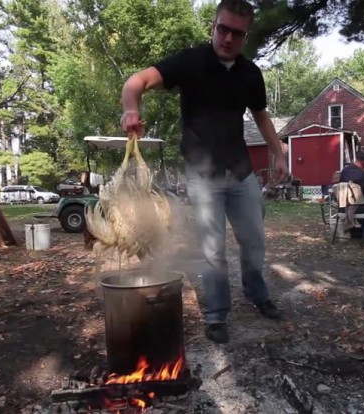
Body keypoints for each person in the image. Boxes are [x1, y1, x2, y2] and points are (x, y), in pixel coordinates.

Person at [120, 0, 288, 344]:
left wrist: (278, 152)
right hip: (203, 176)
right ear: (213, 26)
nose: (227, 38)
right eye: (222, 29)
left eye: (236, 33)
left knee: (254, 242)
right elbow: (135, 82)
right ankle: (216, 315)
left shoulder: (251, 74)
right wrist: (130, 109)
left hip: (241, 173)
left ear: (245, 36)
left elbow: (261, 117)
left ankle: (258, 295)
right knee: (213, 249)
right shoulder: (190, 61)